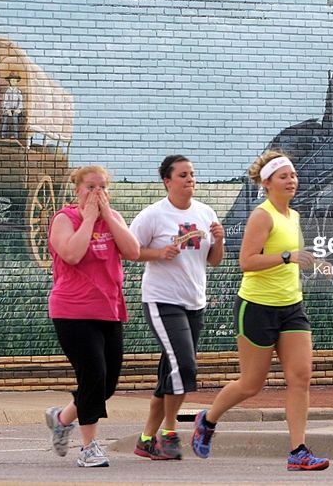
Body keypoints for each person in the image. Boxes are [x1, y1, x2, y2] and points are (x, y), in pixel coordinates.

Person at [190, 150, 329, 472]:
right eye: (284, 176)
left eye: (293, 175)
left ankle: (298, 451)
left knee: (301, 377)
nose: (291, 180)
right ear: (267, 183)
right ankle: (207, 420)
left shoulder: (293, 216)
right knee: (252, 384)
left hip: (291, 306)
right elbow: (247, 261)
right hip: (256, 307)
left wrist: (314, 262)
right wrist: (286, 256)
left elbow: (293, 257)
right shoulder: (261, 216)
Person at [44, 165, 141, 468]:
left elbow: (133, 251)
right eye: (90, 187)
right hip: (73, 311)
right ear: (77, 190)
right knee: (93, 375)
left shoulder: (113, 219)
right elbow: (71, 254)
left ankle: (62, 419)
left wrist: (107, 216)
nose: (97, 193)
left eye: (102, 187)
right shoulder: (65, 219)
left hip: (109, 309)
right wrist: (87, 219)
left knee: (106, 385)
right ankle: (89, 448)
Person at [129, 155, 224, 460]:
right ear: (167, 181)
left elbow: (214, 261)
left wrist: (219, 241)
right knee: (184, 367)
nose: (190, 179)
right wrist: (159, 253)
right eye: (183, 175)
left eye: (192, 174)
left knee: (169, 374)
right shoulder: (154, 215)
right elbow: (130, 250)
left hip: (194, 302)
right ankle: (169, 432)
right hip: (162, 300)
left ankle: (146, 439)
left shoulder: (205, 213)